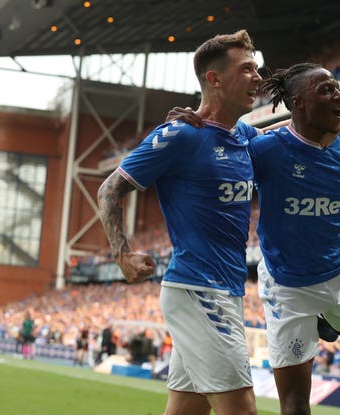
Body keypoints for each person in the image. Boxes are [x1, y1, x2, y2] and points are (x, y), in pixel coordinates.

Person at [168, 62, 340, 415]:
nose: (338, 95)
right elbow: (221, 142)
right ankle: (324, 321)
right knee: (295, 404)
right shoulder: (266, 149)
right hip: (288, 288)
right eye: (326, 90)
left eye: (337, 88)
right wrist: (194, 124)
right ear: (299, 104)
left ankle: (334, 323)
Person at [97, 30, 266, 415]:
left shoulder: (246, 137)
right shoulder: (179, 136)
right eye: (247, 69)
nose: (257, 77)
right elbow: (109, 189)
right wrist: (121, 256)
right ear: (214, 79)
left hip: (227, 291)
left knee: (186, 410)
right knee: (241, 408)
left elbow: (289, 137)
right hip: (198, 290)